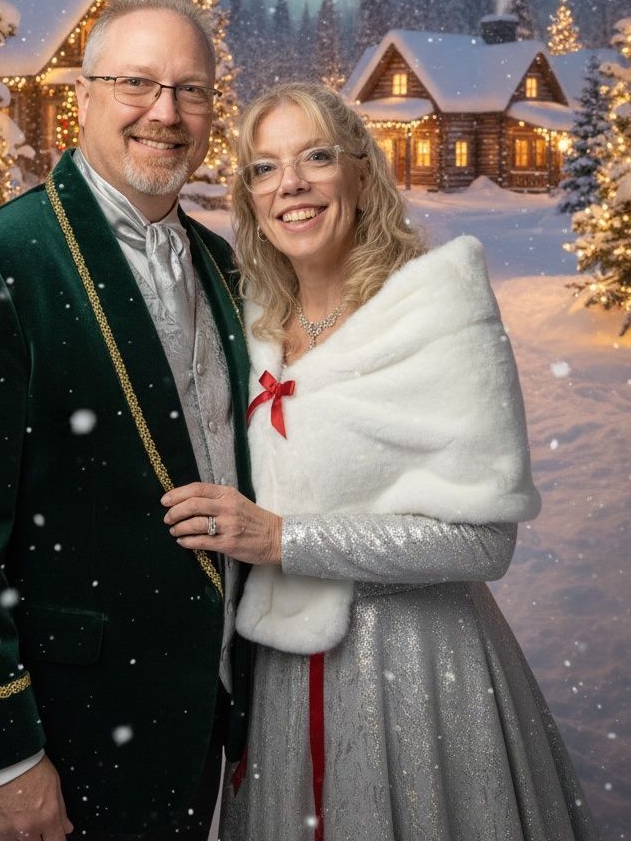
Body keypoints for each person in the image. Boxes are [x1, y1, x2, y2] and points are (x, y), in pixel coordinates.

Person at [160, 82, 599, 840]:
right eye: (265, 168)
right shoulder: (251, 323)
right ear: (250, 198)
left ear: (361, 171)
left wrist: (286, 539)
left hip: (417, 672)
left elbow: (484, 542)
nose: (290, 184)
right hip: (281, 682)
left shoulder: (437, 310)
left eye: (315, 157)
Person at [0, 0, 257, 841]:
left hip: (197, 721)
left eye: (191, 90)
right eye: (137, 83)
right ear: (82, 97)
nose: (166, 112)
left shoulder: (221, 264)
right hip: (65, 734)